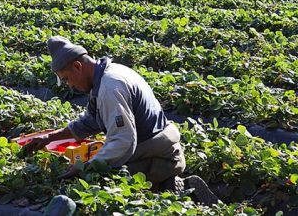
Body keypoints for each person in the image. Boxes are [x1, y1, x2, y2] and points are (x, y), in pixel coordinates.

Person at [20, 37, 218, 205]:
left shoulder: (110, 87)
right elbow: (90, 122)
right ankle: (167, 186)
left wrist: (84, 168)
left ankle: (177, 188)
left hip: (163, 156)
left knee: (99, 183)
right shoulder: (107, 75)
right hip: (153, 148)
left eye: (66, 79)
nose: (69, 85)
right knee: (98, 164)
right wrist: (50, 137)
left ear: (77, 66)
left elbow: (123, 141)